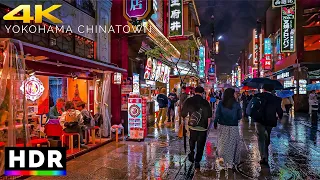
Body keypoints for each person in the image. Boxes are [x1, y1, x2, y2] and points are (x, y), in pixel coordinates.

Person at [181, 86, 212, 170]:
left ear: (194, 92)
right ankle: (197, 161)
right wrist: (207, 128)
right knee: (200, 145)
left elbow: (183, 113)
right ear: (202, 93)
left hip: (192, 126)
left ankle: (191, 153)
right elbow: (209, 117)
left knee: (192, 140)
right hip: (203, 127)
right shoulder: (205, 102)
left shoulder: (189, 100)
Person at [251, 84, 283, 165]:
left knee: (260, 138)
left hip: (259, 120)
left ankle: (263, 157)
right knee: (267, 135)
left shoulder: (258, 96)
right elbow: (279, 110)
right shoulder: (276, 99)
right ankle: (266, 151)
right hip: (270, 120)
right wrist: (280, 116)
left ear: (263, 89)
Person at [214, 88, 242, 169]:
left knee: (222, 143)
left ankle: (222, 160)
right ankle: (230, 163)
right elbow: (239, 116)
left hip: (222, 126)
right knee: (232, 144)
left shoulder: (220, 103)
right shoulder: (237, 104)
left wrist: (215, 122)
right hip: (233, 126)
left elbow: (217, 114)